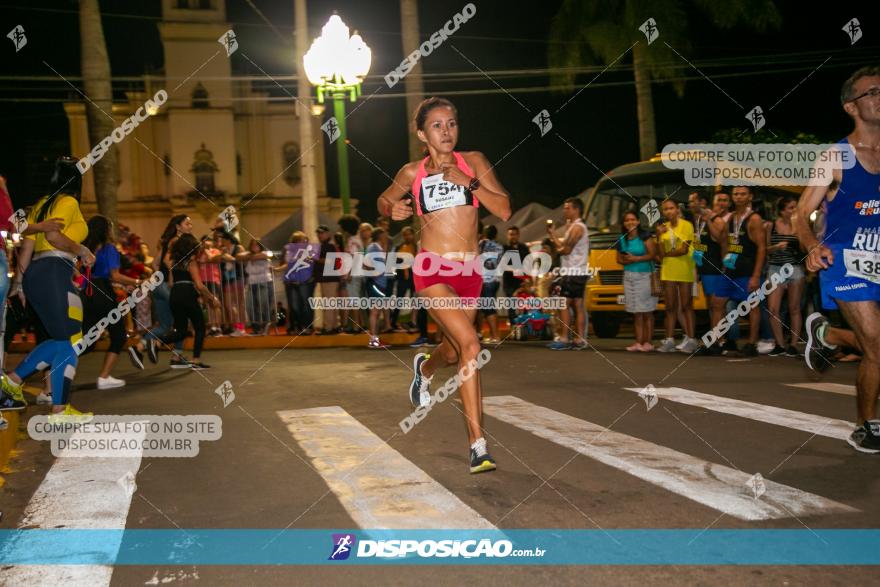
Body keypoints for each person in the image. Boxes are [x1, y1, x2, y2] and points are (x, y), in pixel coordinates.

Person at [378, 96, 512, 473]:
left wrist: (468, 183)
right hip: (432, 269)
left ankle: (424, 368)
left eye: (451, 123)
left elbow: (503, 208)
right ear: (422, 133)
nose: (446, 131)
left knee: (454, 353)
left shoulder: (475, 162)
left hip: (470, 273)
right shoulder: (411, 173)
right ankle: (478, 446)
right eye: (437, 125)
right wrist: (394, 208)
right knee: (471, 344)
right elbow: (384, 200)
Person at [796, 66, 880, 453]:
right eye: (872, 92)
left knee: (873, 343)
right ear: (851, 106)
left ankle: (826, 335)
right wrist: (813, 245)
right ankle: (866, 424)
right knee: (877, 345)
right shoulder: (836, 156)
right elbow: (802, 212)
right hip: (845, 258)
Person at [0, 157, 95, 418]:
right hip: (55, 272)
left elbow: (28, 245)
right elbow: (54, 237)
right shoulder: (69, 202)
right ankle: (56, 408)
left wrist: (20, 283)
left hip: (35, 275)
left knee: (62, 340)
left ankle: (14, 381)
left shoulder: (42, 204)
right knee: (69, 341)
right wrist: (82, 250)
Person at [80, 215, 143, 388]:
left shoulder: (85, 248)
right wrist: (137, 282)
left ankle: (53, 366)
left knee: (86, 340)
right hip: (103, 293)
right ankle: (104, 377)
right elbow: (114, 275)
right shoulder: (109, 248)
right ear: (105, 230)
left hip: (86, 293)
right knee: (118, 335)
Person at [713, 186, 767, 356]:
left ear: (750, 196)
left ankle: (751, 344)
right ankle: (716, 341)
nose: (739, 197)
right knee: (716, 304)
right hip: (729, 270)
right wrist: (724, 262)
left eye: (743, 194)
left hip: (747, 270)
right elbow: (723, 242)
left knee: (752, 307)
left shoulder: (754, 219)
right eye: (736, 194)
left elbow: (761, 248)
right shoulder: (730, 218)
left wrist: (756, 275)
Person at [155, 234, 221, 370]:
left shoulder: (174, 263)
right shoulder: (191, 262)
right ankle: (196, 360)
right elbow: (200, 285)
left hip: (174, 295)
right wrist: (212, 298)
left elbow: (171, 283)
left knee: (181, 330)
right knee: (200, 327)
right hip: (187, 293)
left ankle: (157, 342)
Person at [132, 215, 191, 367]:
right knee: (181, 323)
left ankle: (140, 346)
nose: (190, 226)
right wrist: (171, 277)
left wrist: (160, 277)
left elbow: (155, 263)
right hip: (168, 286)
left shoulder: (166, 241)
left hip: (158, 286)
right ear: (178, 227)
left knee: (164, 326)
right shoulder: (177, 241)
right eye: (187, 223)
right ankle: (176, 357)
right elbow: (167, 261)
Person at [546, 197, 589, 350]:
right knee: (578, 305)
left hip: (573, 272)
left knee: (563, 304)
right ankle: (579, 339)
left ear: (576, 209)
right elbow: (563, 246)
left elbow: (565, 250)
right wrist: (552, 236)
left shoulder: (577, 227)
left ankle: (564, 338)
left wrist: (559, 249)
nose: (565, 211)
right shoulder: (573, 227)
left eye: (567, 208)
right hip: (577, 271)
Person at [656, 199, 698, 353]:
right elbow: (660, 255)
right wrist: (659, 236)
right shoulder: (662, 228)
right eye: (665, 209)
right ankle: (669, 340)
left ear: (677, 209)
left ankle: (692, 340)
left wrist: (667, 254)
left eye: (671, 208)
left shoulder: (686, 225)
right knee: (670, 307)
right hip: (668, 271)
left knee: (687, 306)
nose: (668, 211)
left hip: (684, 269)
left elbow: (684, 250)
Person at [691, 191, 730, 355]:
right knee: (711, 305)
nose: (691, 205)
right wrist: (696, 267)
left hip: (716, 267)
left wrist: (709, 220)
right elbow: (699, 244)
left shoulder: (717, 220)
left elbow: (717, 239)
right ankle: (719, 339)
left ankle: (717, 340)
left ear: (703, 203)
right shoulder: (699, 220)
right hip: (705, 269)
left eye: (693, 201)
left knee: (716, 306)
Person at [766, 194, 805, 357]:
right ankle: (780, 344)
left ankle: (794, 345)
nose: (794, 210)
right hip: (776, 268)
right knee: (773, 308)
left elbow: (805, 250)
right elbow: (765, 249)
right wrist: (776, 247)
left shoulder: (801, 225)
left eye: (796, 207)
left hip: (795, 268)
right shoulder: (771, 225)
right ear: (782, 211)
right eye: (791, 207)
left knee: (794, 308)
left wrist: (799, 234)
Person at [617, 210, 658, 351]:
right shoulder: (622, 238)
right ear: (624, 223)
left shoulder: (645, 236)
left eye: (633, 219)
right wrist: (626, 260)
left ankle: (649, 342)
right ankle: (638, 342)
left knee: (647, 311)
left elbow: (653, 254)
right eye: (627, 220)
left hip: (645, 275)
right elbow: (618, 259)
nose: (630, 222)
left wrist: (636, 258)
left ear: (638, 222)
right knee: (636, 311)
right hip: (628, 276)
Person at [278, 231, 316, 335]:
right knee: (294, 305)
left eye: (305, 240)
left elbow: (310, 262)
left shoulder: (309, 249)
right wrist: (277, 269)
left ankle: (307, 326)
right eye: (300, 240)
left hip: (306, 281)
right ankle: (297, 326)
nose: (303, 242)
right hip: (291, 281)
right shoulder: (287, 249)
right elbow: (283, 263)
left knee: (306, 304)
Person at [216, 231, 248, 337]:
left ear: (228, 239)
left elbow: (243, 261)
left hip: (238, 278)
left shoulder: (238, 248)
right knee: (228, 305)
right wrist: (222, 254)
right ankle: (237, 326)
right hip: (228, 280)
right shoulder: (223, 250)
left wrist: (232, 259)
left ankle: (241, 328)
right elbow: (217, 260)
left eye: (222, 239)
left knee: (240, 304)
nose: (220, 241)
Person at [365, 227, 392, 348]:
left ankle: (375, 340)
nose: (387, 234)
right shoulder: (373, 247)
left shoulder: (380, 247)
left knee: (377, 312)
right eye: (384, 233)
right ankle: (373, 341)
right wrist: (374, 273)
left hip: (381, 283)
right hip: (376, 283)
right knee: (375, 312)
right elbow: (365, 264)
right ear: (379, 235)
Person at [476, 224, 503, 343]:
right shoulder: (499, 246)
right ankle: (490, 334)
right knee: (486, 307)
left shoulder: (481, 244)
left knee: (488, 308)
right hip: (494, 280)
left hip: (485, 280)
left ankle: (495, 336)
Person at [243, 238, 275, 335]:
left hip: (264, 282)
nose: (254, 246)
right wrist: (251, 257)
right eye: (252, 244)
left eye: (256, 244)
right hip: (252, 283)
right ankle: (256, 328)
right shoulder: (248, 255)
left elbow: (269, 255)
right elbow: (238, 256)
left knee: (264, 304)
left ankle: (266, 326)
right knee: (250, 306)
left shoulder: (266, 252)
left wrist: (252, 257)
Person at [501, 226, 531, 328]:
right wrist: (514, 270)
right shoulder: (504, 248)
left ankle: (526, 325)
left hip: (523, 281)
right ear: (507, 235)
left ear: (518, 235)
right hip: (509, 282)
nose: (512, 236)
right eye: (510, 234)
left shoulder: (524, 248)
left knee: (526, 303)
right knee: (512, 304)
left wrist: (527, 278)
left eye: (514, 234)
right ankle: (514, 326)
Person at [314, 225, 341, 335]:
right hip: (330, 278)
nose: (320, 235)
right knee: (331, 303)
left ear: (328, 233)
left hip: (329, 278)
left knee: (328, 304)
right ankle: (334, 326)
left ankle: (328, 327)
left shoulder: (329, 245)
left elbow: (330, 261)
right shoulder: (327, 245)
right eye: (319, 233)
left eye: (322, 233)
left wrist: (315, 259)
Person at [390, 226, 418, 332]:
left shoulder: (416, 247)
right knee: (399, 300)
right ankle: (393, 322)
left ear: (413, 235)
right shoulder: (399, 247)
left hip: (415, 277)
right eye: (405, 235)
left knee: (416, 300)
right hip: (403, 277)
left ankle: (414, 322)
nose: (407, 236)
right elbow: (395, 263)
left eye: (409, 234)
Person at [197, 236, 223, 336]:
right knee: (208, 305)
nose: (206, 243)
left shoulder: (215, 251)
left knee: (215, 303)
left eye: (207, 240)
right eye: (203, 241)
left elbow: (211, 259)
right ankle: (212, 326)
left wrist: (207, 250)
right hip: (203, 281)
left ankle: (218, 327)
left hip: (213, 280)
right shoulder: (199, 253)